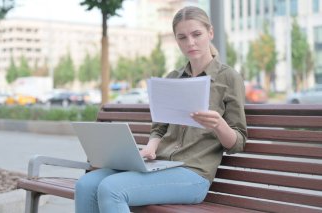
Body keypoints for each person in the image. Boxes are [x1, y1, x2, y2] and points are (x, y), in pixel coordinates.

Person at [75, 6, 247, 213]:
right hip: (161, 165)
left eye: (197, 34)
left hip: (193, 174)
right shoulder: (172, 78)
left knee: (112, 189)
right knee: (85, 185)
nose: (190, 42)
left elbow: (238, 143)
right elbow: (159, 128)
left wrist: (219, 124)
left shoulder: (229, 78)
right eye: (182, 37)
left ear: (210, 33)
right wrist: (150, 147)